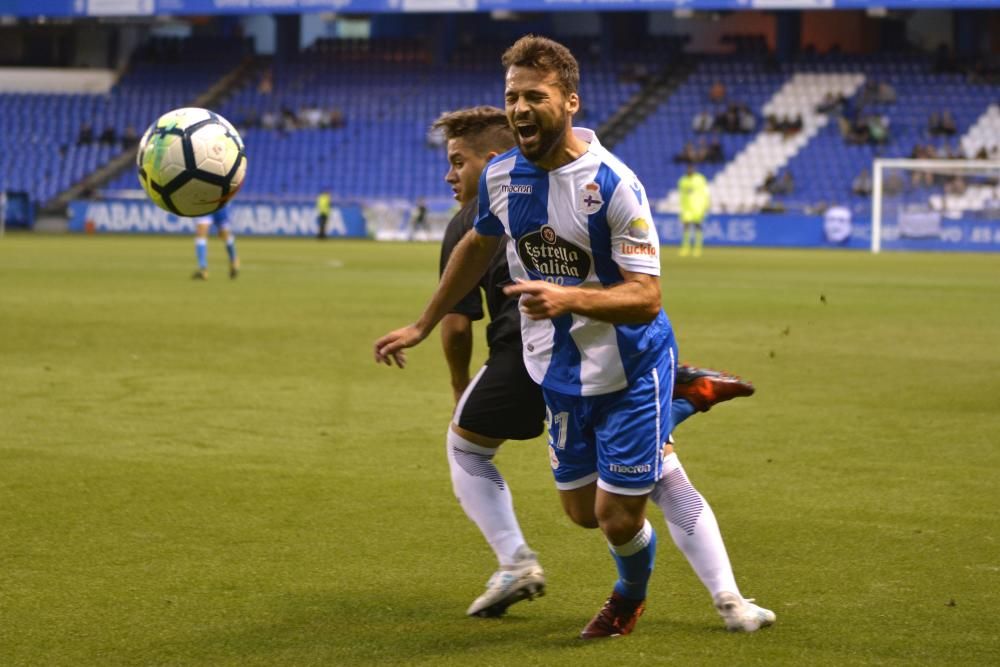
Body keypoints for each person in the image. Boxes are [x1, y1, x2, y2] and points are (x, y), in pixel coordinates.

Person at [375, 36, 773, 639]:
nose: (519, 107)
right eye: (512, 96)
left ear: (570, 103)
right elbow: (478, 244)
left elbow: (646, 297)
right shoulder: (504, 177)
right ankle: (682, 405)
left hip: (631, 365)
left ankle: (626, 600)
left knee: (617, 517)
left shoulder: (614, 186)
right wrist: (422, 323)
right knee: (583, 513)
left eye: (535, 95)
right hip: (556, 370)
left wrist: (570, 297)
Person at [192, 206, 239, 280]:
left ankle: (233, 260)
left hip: (216, 202)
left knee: (224, 234)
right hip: (207, 202)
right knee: (202, 232)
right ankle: (203, 268)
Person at [678, 164, 710, 257]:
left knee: (697, 226)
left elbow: (705, 192)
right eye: (688, 168)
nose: (690, 170)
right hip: (686, 208)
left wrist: (706, 205)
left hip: (698, 207)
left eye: (691, 168)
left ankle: (698, 247)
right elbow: (682, 195)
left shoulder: (700, 179)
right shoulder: (682, 180)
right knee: (686, 226)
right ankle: (685, 247)